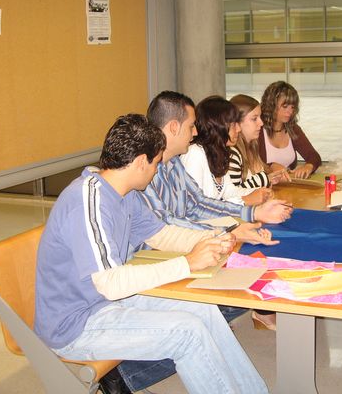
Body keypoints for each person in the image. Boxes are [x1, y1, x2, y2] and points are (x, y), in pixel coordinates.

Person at [34, 113, 269, 394]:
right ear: (139, 162)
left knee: (204, 311)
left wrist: (222, 238)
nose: (157, 171)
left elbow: (162, 234)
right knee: (187, 333)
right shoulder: (88, 200)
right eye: (156, 163)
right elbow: (109, 283)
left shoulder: (125, 193)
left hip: (107, 303)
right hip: (76, 324)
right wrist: (187, 263)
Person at [138, 91, 292, 235]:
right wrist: (226, 231)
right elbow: (165, 224)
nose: (195, 132)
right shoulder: (147, 168)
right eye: (191, 126)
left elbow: (198, 204)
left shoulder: (174, 163)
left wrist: (255, 213)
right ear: (173, 127)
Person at [181, 95, 272, 205]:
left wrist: (258, 193)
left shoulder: (219, 153)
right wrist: (246, 200)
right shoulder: (194, 154)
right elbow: (194, 206)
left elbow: (230, 191)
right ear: (218, 127)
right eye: (234, 125)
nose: (238, 129)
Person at [258, 81, 322, 179]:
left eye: (292, 107)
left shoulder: (293, 129)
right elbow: (248, 164)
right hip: (263, 189)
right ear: (271, 105)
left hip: (287, 188)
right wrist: (270, 167)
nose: (290, 111)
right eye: (285, 106)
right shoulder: (257, 129)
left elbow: (314, 156)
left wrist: (309, 166)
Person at [229, 94, 289, 188]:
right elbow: (232, 195)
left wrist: (270, 177)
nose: (261, 123)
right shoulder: (232, 154)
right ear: (237, 122)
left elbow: (256, 182)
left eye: (260, 117)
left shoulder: (253, 146)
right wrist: (265, 179)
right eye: (254, 119)